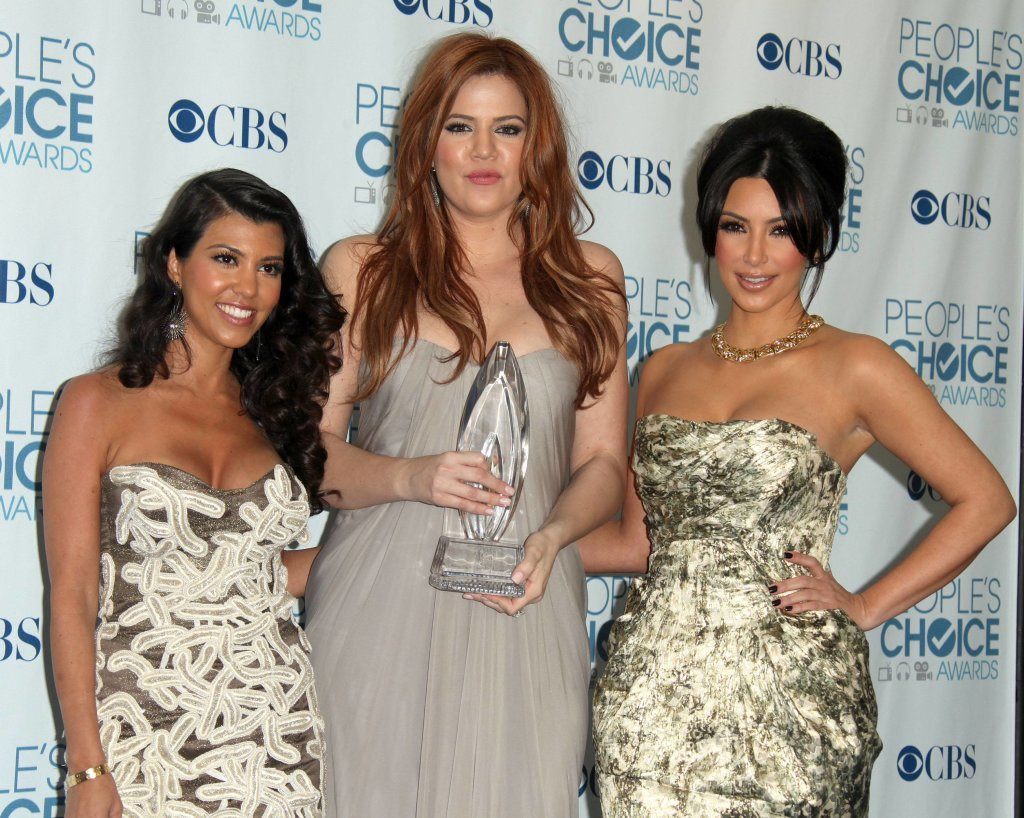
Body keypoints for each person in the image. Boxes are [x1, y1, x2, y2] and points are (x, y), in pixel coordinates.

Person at [584, 106, 1016, 816]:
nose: (754, 257)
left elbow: (986, 500)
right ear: (709, 232)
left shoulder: (856, 366)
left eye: (781, 230)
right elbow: (639, 543)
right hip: (648, 705)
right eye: (735, 227)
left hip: (791, 710)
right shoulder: (661, 370)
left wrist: (866, 605)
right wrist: (522, 540)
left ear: (816, 238)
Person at [298, 32, 628, 818]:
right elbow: (310, 454)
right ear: (424, 145)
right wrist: (408, 475)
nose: (484, 151)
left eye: (507, 129)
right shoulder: (363, 269)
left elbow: (605, 463)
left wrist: (552, 538)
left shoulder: (591, 279)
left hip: (526, 601)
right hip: (377, 607)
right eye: (459, 126)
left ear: (535, 147)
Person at [43, 168, 344, 818]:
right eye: (226, 259)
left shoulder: (276, 410)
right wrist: (87, 765)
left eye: (268, 268)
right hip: (142, 736)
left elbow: (257, 576)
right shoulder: (96, 403)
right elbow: (72, 592)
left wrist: (395, 543)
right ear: (175, 264)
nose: (247, 288)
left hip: (272, 733)